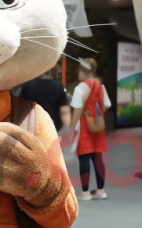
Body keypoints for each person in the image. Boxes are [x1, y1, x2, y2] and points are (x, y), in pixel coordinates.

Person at [70, 58, 112, 200]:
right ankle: (101, 191)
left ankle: (86, 193)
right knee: (98, 158)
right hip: (98, 126)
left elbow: (77, 110)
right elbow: (107, 104)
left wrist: (72, 127)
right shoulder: (101, 86)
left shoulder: (80, 88)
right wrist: (96, 115)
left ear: (82, 71)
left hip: (84, 128)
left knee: (84, 158)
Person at [18, 66, 71, 131]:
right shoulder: (58, 86)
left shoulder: (27, 83)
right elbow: (64, 111)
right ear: (53, 71)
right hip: (50, 126)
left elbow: (20, 105)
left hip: (28, 124)